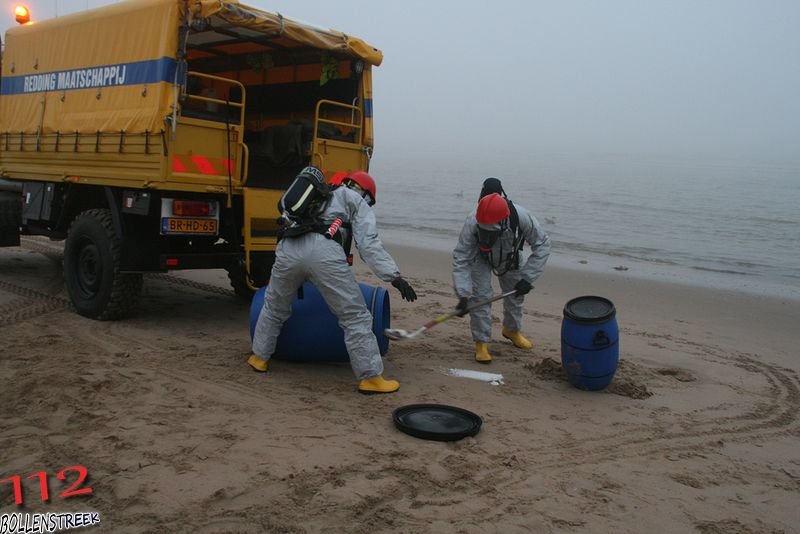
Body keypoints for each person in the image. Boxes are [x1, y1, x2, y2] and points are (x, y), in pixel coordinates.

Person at [249, 167, 417, 394]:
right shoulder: (354, 199)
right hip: (323, 251)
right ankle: (371, 378)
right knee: (355, 315)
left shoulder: (314, 195)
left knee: (274, 306)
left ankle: (259, 357)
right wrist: (394, 277)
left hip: (288, 248)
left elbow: (286, 220)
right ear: (366, 193)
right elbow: (368, 244)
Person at [452, 178, 551, 363]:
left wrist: (528, 278)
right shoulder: (472, 220)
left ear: (503, 222)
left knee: (515, 296)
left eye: (491, 233)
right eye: (484, 232)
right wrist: (463, 294)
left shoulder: (521, 217)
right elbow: (461, 258)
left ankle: (511, 330)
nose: (487, 236)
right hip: (479, 258)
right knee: (480, 298)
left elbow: (543, 244)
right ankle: (481, 342)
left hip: (510, 256)